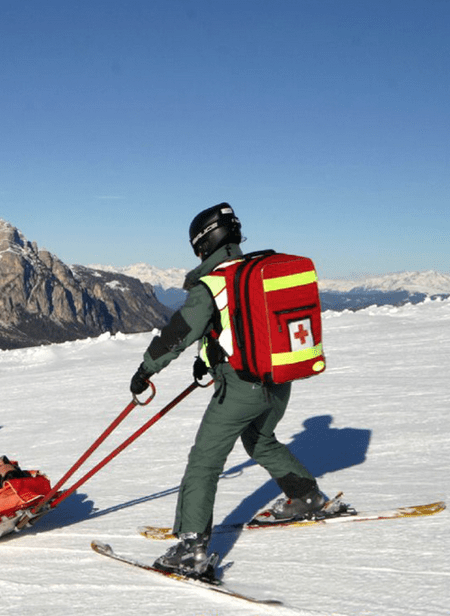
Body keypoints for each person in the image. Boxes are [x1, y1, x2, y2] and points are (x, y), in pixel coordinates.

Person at [128, 203, 326, 577]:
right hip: (278, 381)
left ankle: (192, 549)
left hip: (240, 389)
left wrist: (145, 370)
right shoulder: (250, 272)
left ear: (205, 244)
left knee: (203, 462)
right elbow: (238, 327)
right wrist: (211, 357)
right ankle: (307, 497)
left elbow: (177, 334)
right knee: (260, 439)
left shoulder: (213, 283)